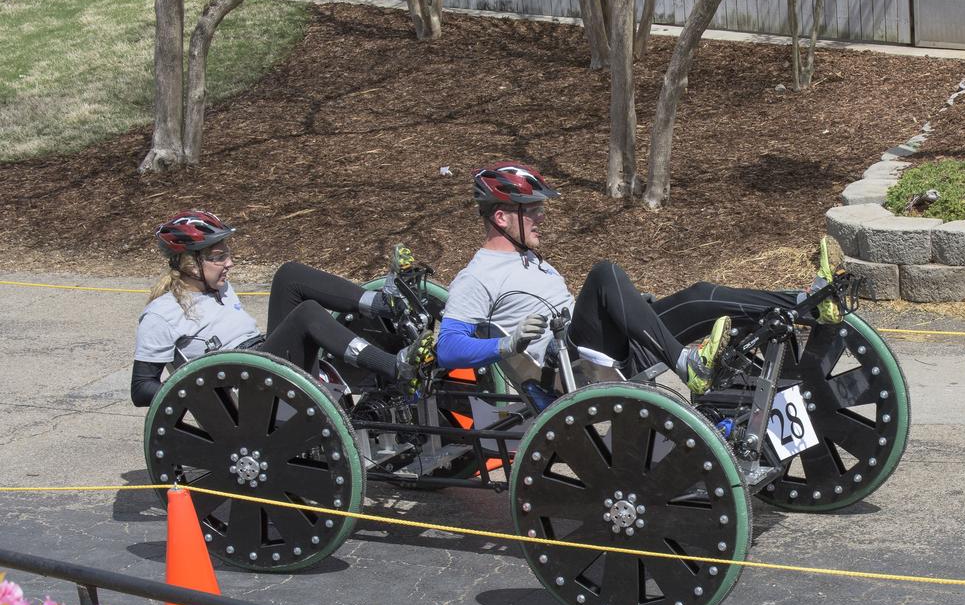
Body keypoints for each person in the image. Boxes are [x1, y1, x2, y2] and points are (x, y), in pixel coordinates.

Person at [437, 162, 842, 394]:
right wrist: (508, 343)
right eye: (530, 209)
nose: (541, 216)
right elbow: (449, 349)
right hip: (569, 371)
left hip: (603, 352)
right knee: (604, 272)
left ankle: (807, 302)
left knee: (700, 295)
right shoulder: (477, 277)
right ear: (501, 217)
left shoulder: (529, 259)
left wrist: (628, 306)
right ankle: (690, 366)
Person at [131, 210, 431, 407]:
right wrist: (198, 397)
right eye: (218, 257)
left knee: (289, 275)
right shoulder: (161, 315)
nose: (229, 263)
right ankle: (395, 366)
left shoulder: (217, 285)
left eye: (227, 254)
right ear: (189, 264)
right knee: (308, 313)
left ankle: (384, 303)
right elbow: (142, 388)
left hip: (262, 360)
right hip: (248, 390)